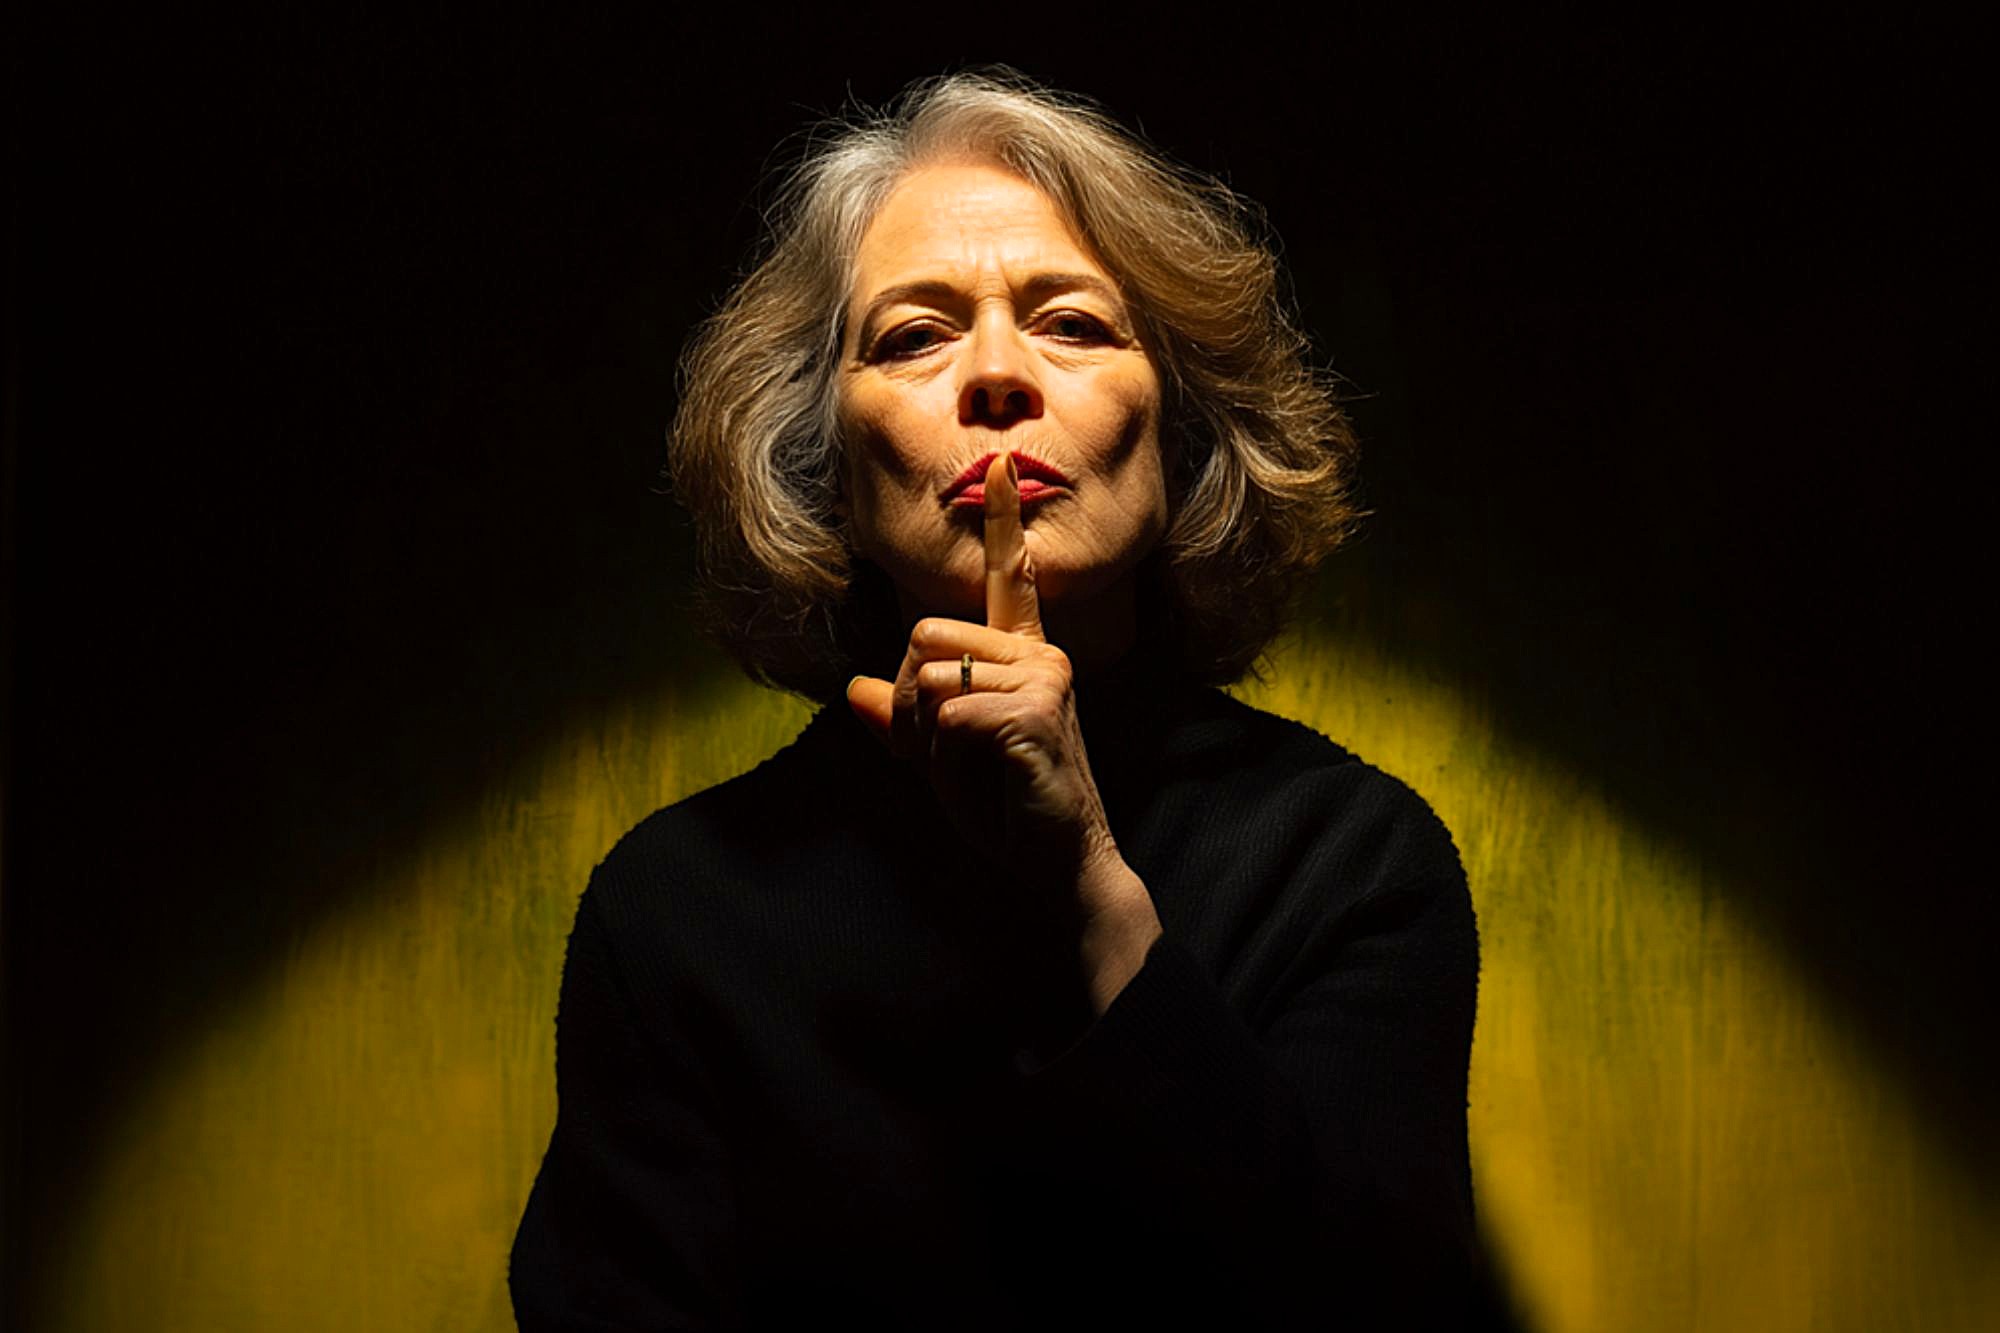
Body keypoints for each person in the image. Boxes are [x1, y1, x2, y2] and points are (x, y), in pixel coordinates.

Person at [511, 69, 1511, 1330]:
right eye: (914, 335)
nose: (995, 376)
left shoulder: (1352, 862)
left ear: (1181, 422)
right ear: (821, 453)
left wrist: (1092, 897)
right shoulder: (676, 906)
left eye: (1074, 325)